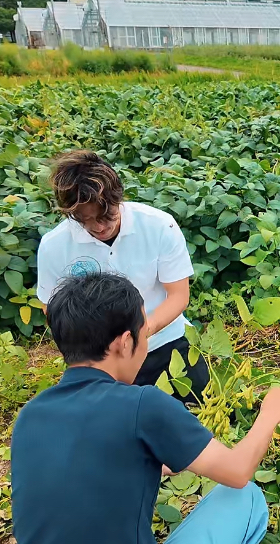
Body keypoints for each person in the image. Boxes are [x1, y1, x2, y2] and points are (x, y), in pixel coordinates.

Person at [5, 272, 280, 544]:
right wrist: (269, 415)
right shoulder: (143, 404)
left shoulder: (31, 415)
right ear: (125, 342)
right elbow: (237, 470)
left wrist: (141, 464)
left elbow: (71, 476)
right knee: (246, 502)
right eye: (144, 331)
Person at [35, 150, 209, 404]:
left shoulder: (159, 226)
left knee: (199, 411)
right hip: (100, 362)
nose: (99, 226)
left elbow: (179, 296)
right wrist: (99, 354)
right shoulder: (54, 246)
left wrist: (138, 335)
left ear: (119, 197)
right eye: (86, 220)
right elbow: (52, 311)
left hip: (164, 340)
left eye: (107, 215)